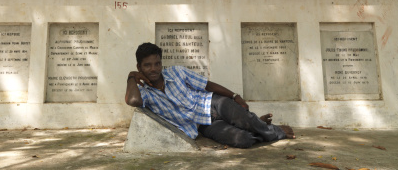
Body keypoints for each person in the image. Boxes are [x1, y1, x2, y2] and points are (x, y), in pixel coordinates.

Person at [125, 42, 295, 148]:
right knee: (242, 140)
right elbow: (133, 100)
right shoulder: (144, 94)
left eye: (157, 64)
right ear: (139, 67)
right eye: (147, 65)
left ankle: (272, 130)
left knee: (242, 116)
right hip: (203, 126)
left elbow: (207, 85)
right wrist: (131, 76)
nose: (154, 69)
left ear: (162, 63)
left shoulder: (176, 72)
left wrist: (235, 96)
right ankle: (252, 123)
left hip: (212, 104)